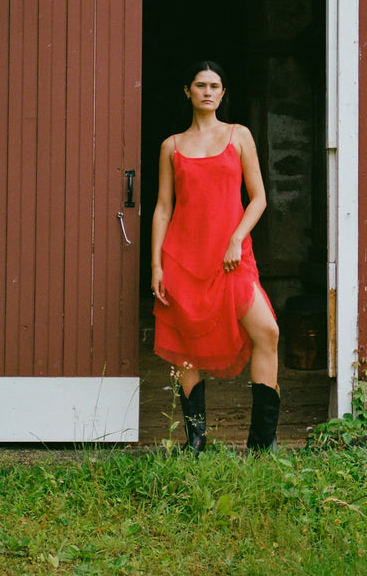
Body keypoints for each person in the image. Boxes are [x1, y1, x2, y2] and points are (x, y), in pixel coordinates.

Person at [151, 60, 280, 454]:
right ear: (187, 91)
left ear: (223, 93)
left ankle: (261, 444)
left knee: (267, 332)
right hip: (183, 259)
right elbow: (162, 208)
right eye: (200, 85)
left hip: (231, 257)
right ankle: (196, 443)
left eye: (215, 85)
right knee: (187, 348)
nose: (208, 91)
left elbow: (258, 198)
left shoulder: (239, 136)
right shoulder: (171, 146)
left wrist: (237, 239)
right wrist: (156, 264)